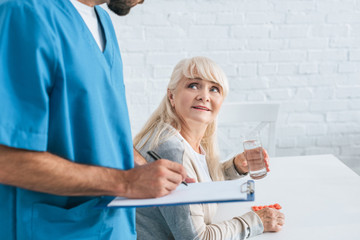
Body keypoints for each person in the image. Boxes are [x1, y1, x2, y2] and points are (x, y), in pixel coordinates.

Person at [0, 0, 188, 239]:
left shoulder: (102, 22)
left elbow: (98, 128)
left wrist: (143, 168)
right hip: (52, 230)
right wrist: (127, 182)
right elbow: (7, 161)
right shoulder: (25, 15)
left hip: (111, 228)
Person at [134, 56, 285, 239]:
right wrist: (255, 221)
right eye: (193, 85)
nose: (204, 96)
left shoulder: (186, 139)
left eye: (214, 89)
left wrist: (235, 167)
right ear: (171, 96)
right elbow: (197, 237)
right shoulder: (170, 150)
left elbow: (198, 185)